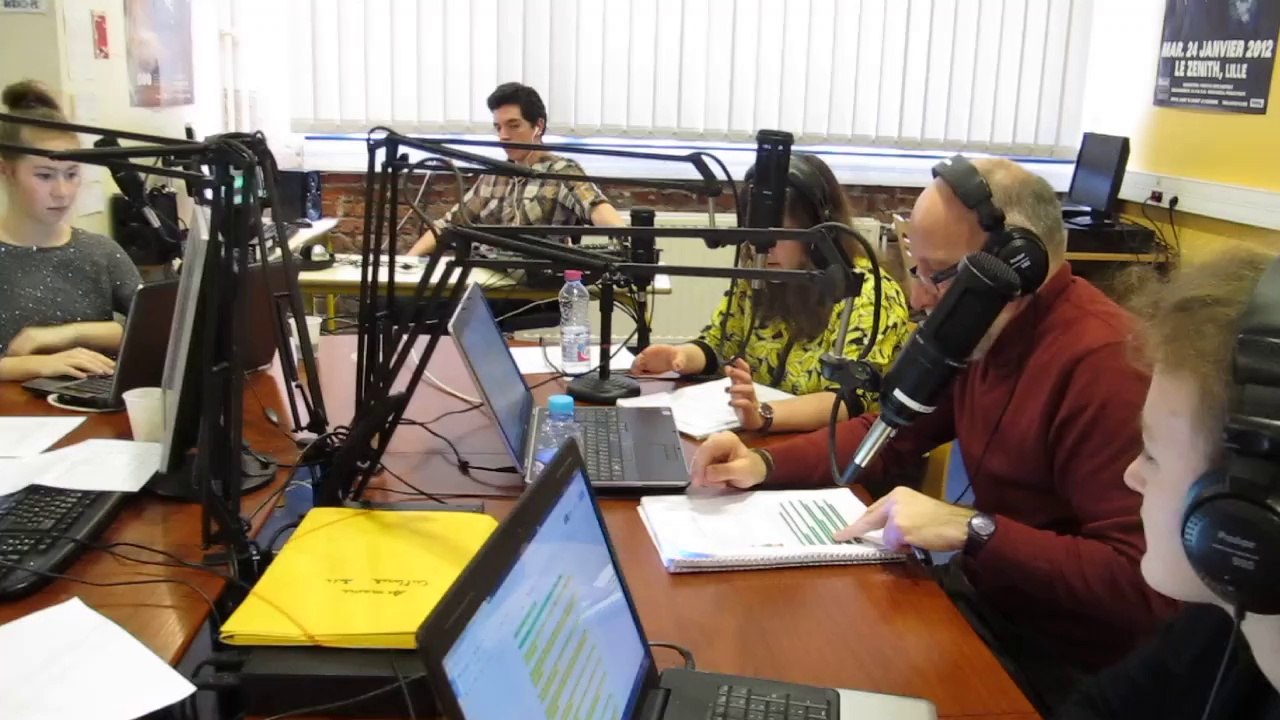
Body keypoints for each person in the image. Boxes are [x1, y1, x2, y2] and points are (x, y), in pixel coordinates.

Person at [688, 157, 1178, 712]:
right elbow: (891, 432)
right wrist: (763, 466)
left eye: (936, 274)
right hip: (984, 608)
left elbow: (1141, 584)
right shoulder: (977, 329)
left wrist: (974, 528)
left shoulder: (1105, 365)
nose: (919, 298)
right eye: (914, 270)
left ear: (1017, 264)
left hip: (1068, 667)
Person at [1056, 248, 1280, 719]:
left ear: (1241, 514)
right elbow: (1096, 709)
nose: (1131, 474)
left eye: (1152, 454)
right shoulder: (1219, 621)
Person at [629, 153, 911, 433]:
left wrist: (763, 414)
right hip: (760, 438)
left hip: (829, 451)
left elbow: (849, 400)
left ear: (821, 231)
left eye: (781, 232)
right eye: (756, 233)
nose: (762, 247)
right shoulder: (761, 271)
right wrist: (680, 357)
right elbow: (720, 341)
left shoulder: (867, 292)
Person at [0, 80, 142, 383]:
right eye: (44, 175)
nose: (62, 191)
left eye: (72, 174)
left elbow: (158, 329)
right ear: (6, 171)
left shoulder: (100, 252)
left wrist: (66, 335)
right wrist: (38, 365)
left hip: (95, 411)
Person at [407, 82, 624, 256]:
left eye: (513, 125)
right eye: (498, 127)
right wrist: (408, 263)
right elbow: (448, 224)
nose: (503, 136)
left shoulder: (560, 173)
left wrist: (627, 241)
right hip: (484, 282)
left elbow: (597, 208)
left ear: (538, 126)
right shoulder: (494, 177)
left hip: (531, 292)